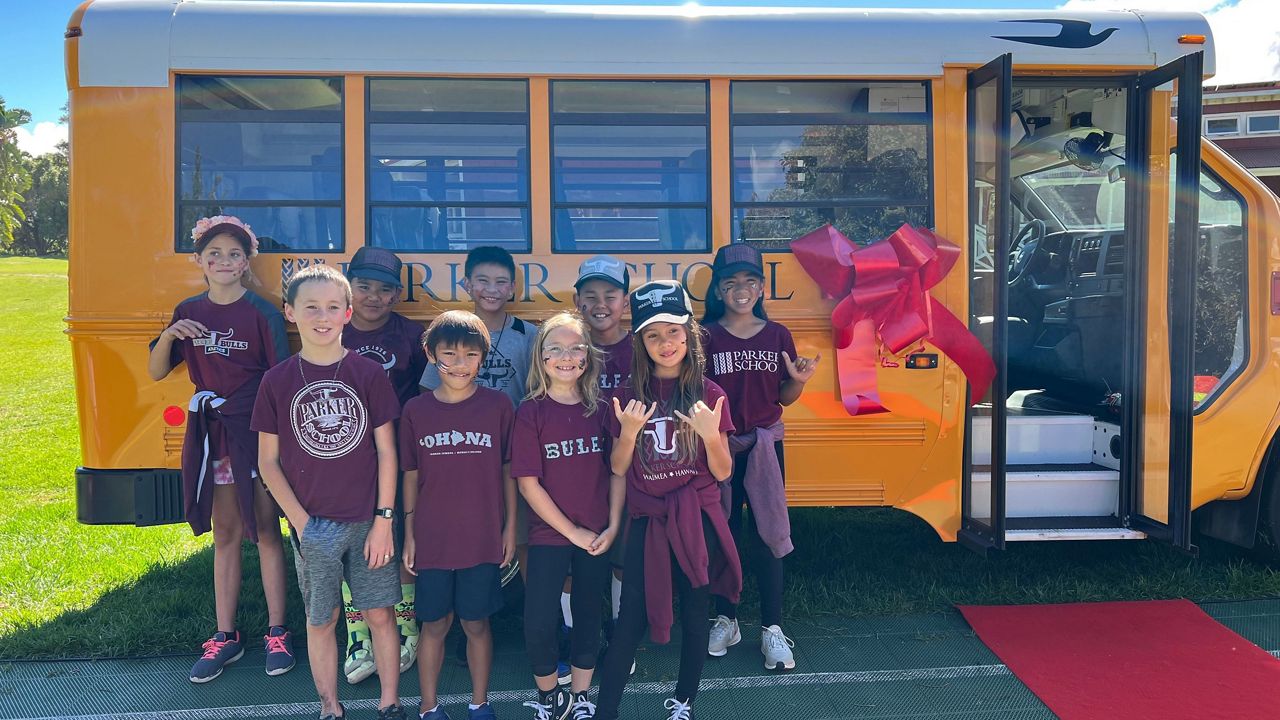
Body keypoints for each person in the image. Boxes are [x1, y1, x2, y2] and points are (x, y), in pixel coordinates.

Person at [252, 264, 406, 720]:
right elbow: (267, 462)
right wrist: (301, 524)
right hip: (314, 524)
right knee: (323, 619)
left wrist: (384, 519)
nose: (323, 316)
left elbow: (387, 452)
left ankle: (390, 703)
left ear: (348, 313)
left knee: (379, 614)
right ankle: (329, 707)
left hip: (367, 522)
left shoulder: (368, 374)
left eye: (333, 307)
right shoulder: (276, 381)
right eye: (311, 307)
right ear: (290, 312)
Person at [147, 215, 294, 684]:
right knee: (225, 531)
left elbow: (280, 380)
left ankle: (278, 631)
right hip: (215, 437)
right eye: (214, 254)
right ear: (199, 261)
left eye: (234, 254)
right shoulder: (189, 310)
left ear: (247, 262)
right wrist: (171, 335)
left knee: (268, 530)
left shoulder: (263, 312)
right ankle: (225, 635)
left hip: (254, 433)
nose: (224, 261)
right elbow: (155, 371)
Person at [594, 281, 743, 720]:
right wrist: (626, 433)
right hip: (649, 521)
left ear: (689, 333)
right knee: (630, 619)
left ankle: (684, 701)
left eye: (674, 332)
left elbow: (723, 472)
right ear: (639, 341)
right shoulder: (624, 396)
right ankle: (606, 710)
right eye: (653, 335)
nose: (665, 343)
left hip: (697, 519)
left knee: (697, 612)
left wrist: (710, 435)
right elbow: (618, 467)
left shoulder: (710, 394)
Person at [701, 244, 820, 671]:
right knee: (724, 534)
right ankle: (726, 617)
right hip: (721, 448)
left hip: (767, 446)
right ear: (717, 289)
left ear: (762, 286)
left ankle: (772, 628)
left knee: (769, 534)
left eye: (750, 281)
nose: (741, 289)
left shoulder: (777, 335)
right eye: (730, 282)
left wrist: (800, 382)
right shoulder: (705, 336)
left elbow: (782, 397)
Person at [402, 310, 517, 720]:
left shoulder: (499, 406)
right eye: (449, 353)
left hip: (482, 536)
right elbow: (411, 475)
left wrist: (510, 526)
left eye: (470, 355)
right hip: (433, 537)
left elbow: (508, 470)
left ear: (482, 359)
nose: (459, 363)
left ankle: (479, 702)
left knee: (476, 623)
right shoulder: (416, 411)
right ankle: (429, 706)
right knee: (434, 624)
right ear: (432, 356)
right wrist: (411, 533)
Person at [511, 312, 624, 720]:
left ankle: (579, 696)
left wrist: (611, 525)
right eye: (555, 348)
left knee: (589, 618)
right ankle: (549, 696)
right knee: (539, 621)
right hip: (551, 535)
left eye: (576, 347)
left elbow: (617, 471)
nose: (566, 357)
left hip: (596, 534)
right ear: (541, 358)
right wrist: (572, 531)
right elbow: (528, 484)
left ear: (589, 356)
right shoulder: (531, 412)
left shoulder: (601, 410)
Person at [419, 246, 537, 584]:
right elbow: (430, 394)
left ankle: (535, 614)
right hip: (464, 451)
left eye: (501, 282)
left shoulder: (528, 336)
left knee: (523, 535)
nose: (492, 289)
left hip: (513, 452)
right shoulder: (450, 332)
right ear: (467, 284)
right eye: (482, 280)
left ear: (513, 288)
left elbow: (538, 394)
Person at [341, 246, 427, 683]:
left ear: (397, 296)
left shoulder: (412, 336)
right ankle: (358, 632)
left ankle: (405, 623)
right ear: (349, 287)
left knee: (400, 534)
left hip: (399, 451)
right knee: (351, 540)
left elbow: (428, 394)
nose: (373, 296)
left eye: (385, 289)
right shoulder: (332, 330)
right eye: (364, 286)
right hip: (345, 457)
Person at [571, 256, 633, 670]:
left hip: (627, 470)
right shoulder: (566, 346)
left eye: (610, 295)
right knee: (572, 556)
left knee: (623, 556)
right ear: (577, 301)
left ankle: (619, 629)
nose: (600, 303)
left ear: (625, 301)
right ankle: (576, 632)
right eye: (590, 295)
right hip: (574, 468)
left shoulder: (639, 347)